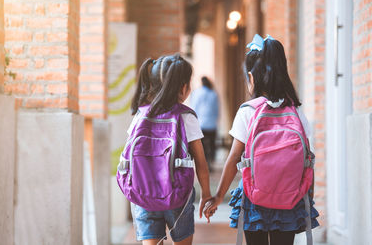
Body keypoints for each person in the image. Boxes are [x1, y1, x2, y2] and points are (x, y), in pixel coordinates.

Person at [203, 35, 319, 245]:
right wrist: (307, 197)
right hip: (290, 198)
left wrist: (218, 196)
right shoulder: (296, 110)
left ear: (251, 77)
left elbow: (233, 158)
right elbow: (307, 159)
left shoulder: (248, 111)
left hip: (254, 198)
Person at [127, 54, 212, 245]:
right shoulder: (186, 117)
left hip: (144, 194)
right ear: (183, 88)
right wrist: (206, 194)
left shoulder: (140, 114)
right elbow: (201, 162)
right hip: (177, 196)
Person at [190, 76, 219, 171]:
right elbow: (216, 110)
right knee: (211, 144)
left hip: (200, 124)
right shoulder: (213, 94)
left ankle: (203, 164)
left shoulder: (197, 93)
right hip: (211, 124)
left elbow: (194, 107)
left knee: (201, 146)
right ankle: (210, 162)